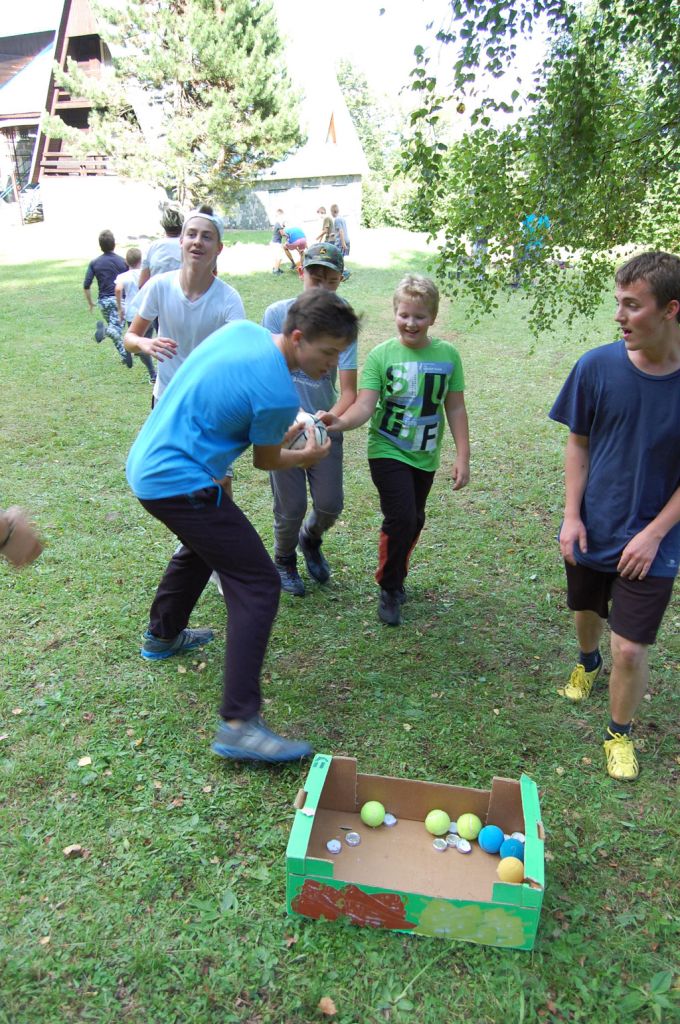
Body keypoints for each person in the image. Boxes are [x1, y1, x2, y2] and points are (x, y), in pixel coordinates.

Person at [126, 289, 359, 763]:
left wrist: (279, 424)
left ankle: (162, 635)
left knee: (206, 543)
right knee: (256, 581)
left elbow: (227, 389)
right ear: (298, 337)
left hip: (147, 462)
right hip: (179, 478)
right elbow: (267, 461)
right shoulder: (277, 394)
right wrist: (310, 453)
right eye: (329, 353)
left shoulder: (244, 331)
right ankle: (239, 723)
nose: (333, 366)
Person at [549, 250, 680, 782]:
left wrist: (653, 534)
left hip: (659, 537)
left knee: (629, 646)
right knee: (587, 613)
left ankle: (618, 733)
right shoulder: (596, 366)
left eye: (632, 305)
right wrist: (571, 516)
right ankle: (586, 660)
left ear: (671, 309)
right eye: (617, 303)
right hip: (593, 522)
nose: (619, 317)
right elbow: (577, 442)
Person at [321, 274, 470, 626]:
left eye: (419, 316)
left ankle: (397, 573)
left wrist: (462, 456)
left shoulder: (448, 355)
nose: (411, 323)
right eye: (404, 315)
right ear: (395, 313)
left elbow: (456, 408)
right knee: (401, 517)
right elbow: (364, 405)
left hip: (426, 453)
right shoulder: (381, 356)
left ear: (432, 317)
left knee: (415, 519)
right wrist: (339, 422)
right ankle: (389, 587)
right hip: (387, 449)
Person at [262, 242, 358, 595]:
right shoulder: (277, 314)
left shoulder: (344, 324)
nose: (320, 286)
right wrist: (285, 420)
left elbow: (348, 391)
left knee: (331, 504)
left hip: (323, 428)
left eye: (330, 281)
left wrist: (330, 416)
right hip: (283, 429)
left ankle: (310, 539)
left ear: (339, 282)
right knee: (291, 507)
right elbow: (266, 373)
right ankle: (284, 558)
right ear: (301, 271)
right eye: (314, 276)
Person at [123, 205, 245, 406]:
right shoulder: (160, 286)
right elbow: (129, 338)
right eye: (191, 234)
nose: (197, 241)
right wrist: (143, 343)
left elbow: (242, 356)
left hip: (208, 403)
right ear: (181, 241)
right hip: (165, 400)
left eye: (206, 237)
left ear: (218, 248)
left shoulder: (229, 299)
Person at [83, 229, 131, 367]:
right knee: (115, 329)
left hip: (103, 302)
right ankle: (104, 331)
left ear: (100, 245)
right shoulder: (123, 262)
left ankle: (125, 357)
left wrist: (91, 303)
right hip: (119, 301)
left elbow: (86, 285)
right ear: (114, 244)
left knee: (114, 329)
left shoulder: (94, 263)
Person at [114, 247, 156, 384]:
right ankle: (132, 353)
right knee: (144, 341)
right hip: (149, 312)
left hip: (132, 314)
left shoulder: (123, 276)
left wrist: (120, 308)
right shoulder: (146, 274)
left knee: (139, 343)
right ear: (141, 261)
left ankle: (152, 373)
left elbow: (118, 288)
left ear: (126, 262)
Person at [138, 204, 184, 289]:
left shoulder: (152, 248)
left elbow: (142, 285)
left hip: (158, 298)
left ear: (162, 224)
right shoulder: (189, 247)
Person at [330, 203, 351, 280]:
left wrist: (343, 244)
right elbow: (340, 231)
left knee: (337, 258)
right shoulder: (342, 218)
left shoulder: (337, 220)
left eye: (331, 212)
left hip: (341, 242)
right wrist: (334, 234)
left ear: (332, 211)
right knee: (340, 258)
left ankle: (345, 272)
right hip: (346, 239)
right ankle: (342, 272)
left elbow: (341, 231)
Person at [270, 209, 285, 274]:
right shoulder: (278, 223)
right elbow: (282, 234)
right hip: (276, 243)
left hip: (275, 242)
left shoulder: (277, 223)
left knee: (277, 256)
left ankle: (276, 268)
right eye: (282, 216)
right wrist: (288, 235)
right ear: (279, 215)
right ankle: (276, 271)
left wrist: (283, 226)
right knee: (279, 257)